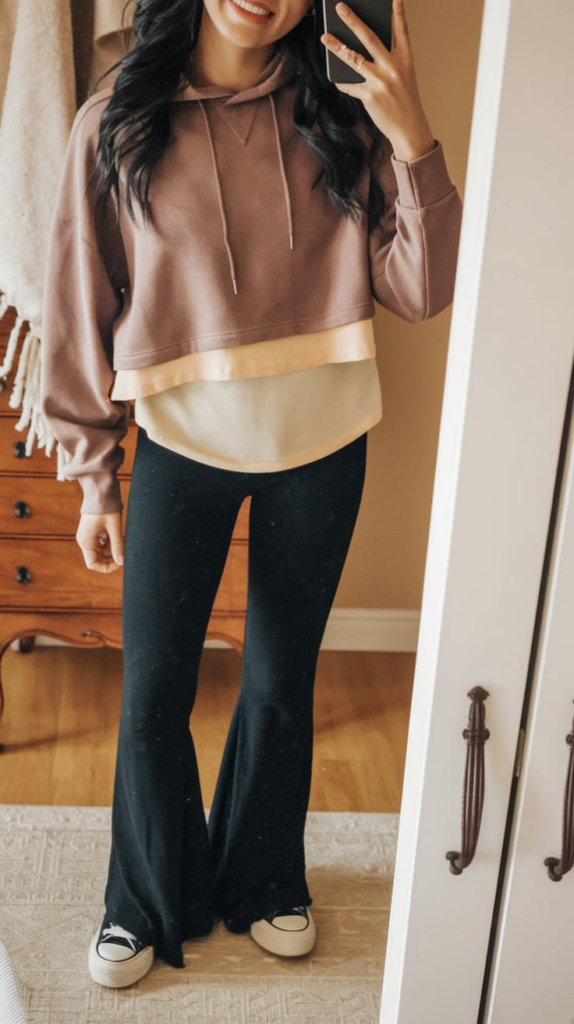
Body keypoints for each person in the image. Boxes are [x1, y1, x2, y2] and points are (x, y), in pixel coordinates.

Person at [39, 0, 462, 989]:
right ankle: (142, 899)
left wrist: (412, 138)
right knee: (154, 690)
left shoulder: (344, 114)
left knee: (280, 678)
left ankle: (267, 877)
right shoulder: (115, 121)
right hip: (183, 440)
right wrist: (94, 478)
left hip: (323, 443)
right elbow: (78, 300)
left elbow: (420, 288)